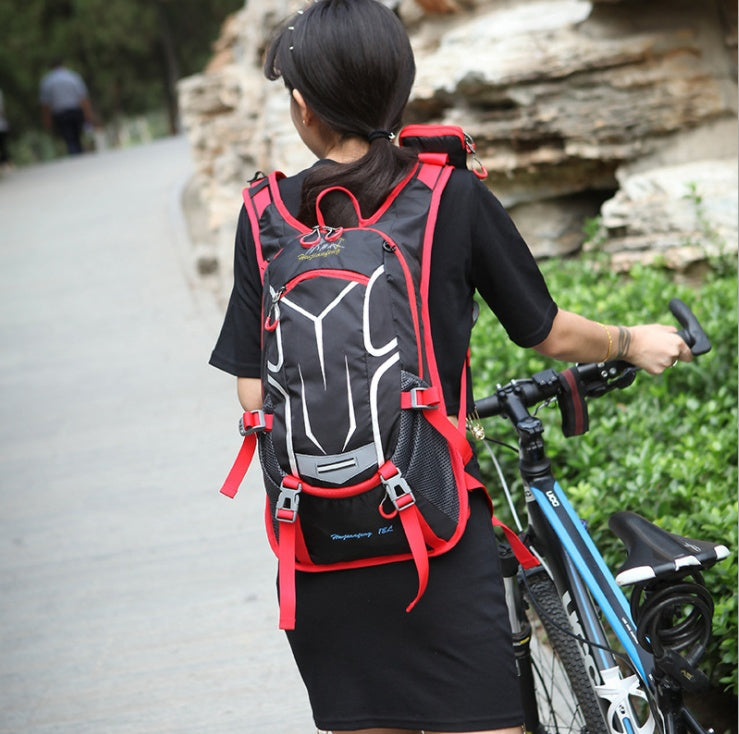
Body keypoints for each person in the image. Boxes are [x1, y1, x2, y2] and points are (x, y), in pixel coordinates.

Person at [209, 2, 692, 733]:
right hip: (433, 531)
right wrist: (631, 341)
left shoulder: (263, 216)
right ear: (397, 91)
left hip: (314, 549)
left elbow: (255, 390)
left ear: (302, 107)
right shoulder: (449, 194)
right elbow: (547, 332)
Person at [39, 60, 94, 155]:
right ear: (63, 65)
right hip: (75, 111)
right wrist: (88, 113)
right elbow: (83, 98)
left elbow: (45, 104)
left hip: (60, 114)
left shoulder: (47, 81)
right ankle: (77, 152)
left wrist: (47, 120)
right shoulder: (73, 77)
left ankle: (74, 152)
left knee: (68, 136)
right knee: (76, 135)